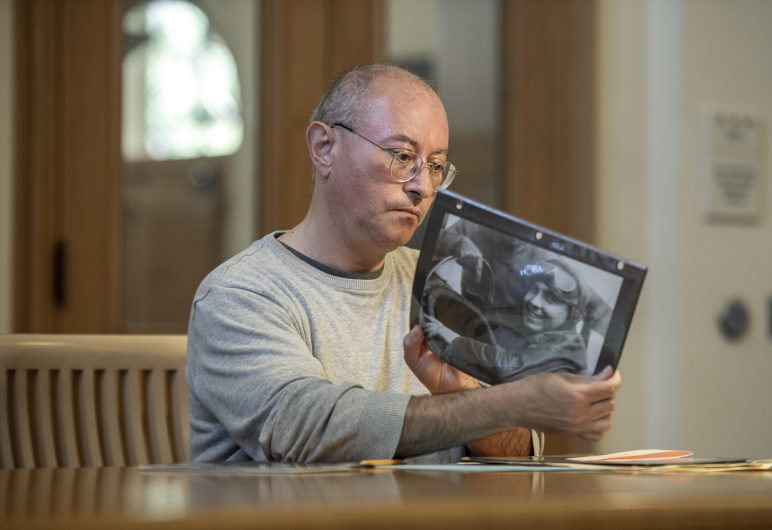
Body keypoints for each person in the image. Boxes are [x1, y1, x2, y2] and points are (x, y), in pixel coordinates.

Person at [186, 63, 621, 464]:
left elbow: (518, 454)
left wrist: (462, 393)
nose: (423, 187)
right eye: (401, 156)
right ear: (324, 147)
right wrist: (507, 403)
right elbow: (306, 429)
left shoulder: (440, 280)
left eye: (435, 165)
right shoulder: (239, 293)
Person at [422, 259, 590, 385]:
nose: (535, 302)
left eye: (551, 299)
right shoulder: (551, 335)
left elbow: (508, 367)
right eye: (534, 289)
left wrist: (451, 337)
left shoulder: (566, 343)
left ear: (572, 314)